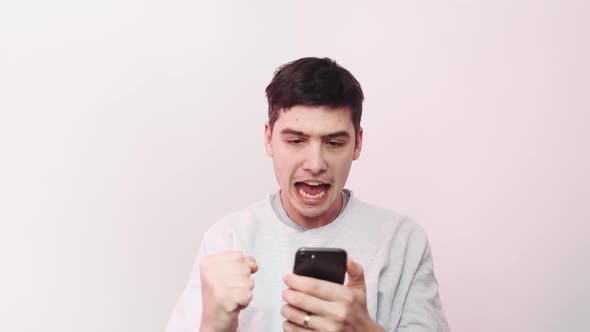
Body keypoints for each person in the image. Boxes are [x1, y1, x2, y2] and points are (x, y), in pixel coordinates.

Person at [166, 57, 450, 332]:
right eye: (296, 140)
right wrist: (212, 328)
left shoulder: (402, 242)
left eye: (334, 142)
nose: (315, 164)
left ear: (357, 144)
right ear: (269, 139)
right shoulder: (227, 238)